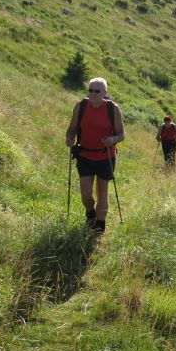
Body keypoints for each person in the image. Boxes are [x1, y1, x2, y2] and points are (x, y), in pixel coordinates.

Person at [65, 77, 125, 234]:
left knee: (102, 193)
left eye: (96, 91)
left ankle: (99, 226)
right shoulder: (81, 106)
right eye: (90, 90)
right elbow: (72, 128)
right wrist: (69, 138)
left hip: (106, 156)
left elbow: (121, 134)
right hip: (84, 154)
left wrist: (112, 139)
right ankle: (90, 211)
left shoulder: (113, 109)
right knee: (86, 195)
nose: (92, 93)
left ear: (105, 93)